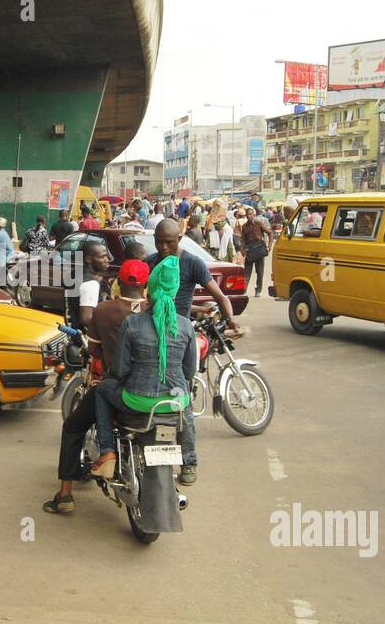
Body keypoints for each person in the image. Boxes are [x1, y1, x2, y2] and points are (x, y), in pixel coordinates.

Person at [45, 258, 151, 514]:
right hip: (155, 387)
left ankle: (66, 495)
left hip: (116, 386)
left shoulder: (104, 310)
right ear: (146, 284)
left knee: (72, 427)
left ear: (119, 282)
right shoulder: (154, 309)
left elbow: (93, 350)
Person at [145, 219, 240, 485]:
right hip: (150, 336)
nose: (164, 247)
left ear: (180, 238)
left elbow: (221, 297)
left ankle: (188, 462)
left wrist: (230, 319)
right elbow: (143, 300)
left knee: (181, 399)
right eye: (159, 241)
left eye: (169, 242)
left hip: (180, 339)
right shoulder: (151, 262)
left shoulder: (193, 263)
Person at [89, 255, 198, 481]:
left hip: (136, 400)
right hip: (174, 402)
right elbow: (189, 372)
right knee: (186, 402)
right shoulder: (186, 326)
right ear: (175, 290)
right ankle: (189, 464)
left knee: (101, 390)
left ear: (151, 288)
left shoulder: (133, 323)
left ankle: (107, 451)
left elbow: (120, 369)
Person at [240, 206, 271, 298]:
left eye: (250, 214)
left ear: (254, 215)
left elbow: (270, 232)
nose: (249, 216)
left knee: (260, 272)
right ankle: (244, 290)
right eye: (247, 214)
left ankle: (258, 290)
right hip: (250, 250)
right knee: (247, 272)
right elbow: (243, 239)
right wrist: (242, 249)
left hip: (259, 250)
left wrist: (269, 246)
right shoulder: (244, 226)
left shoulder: (259, 223)